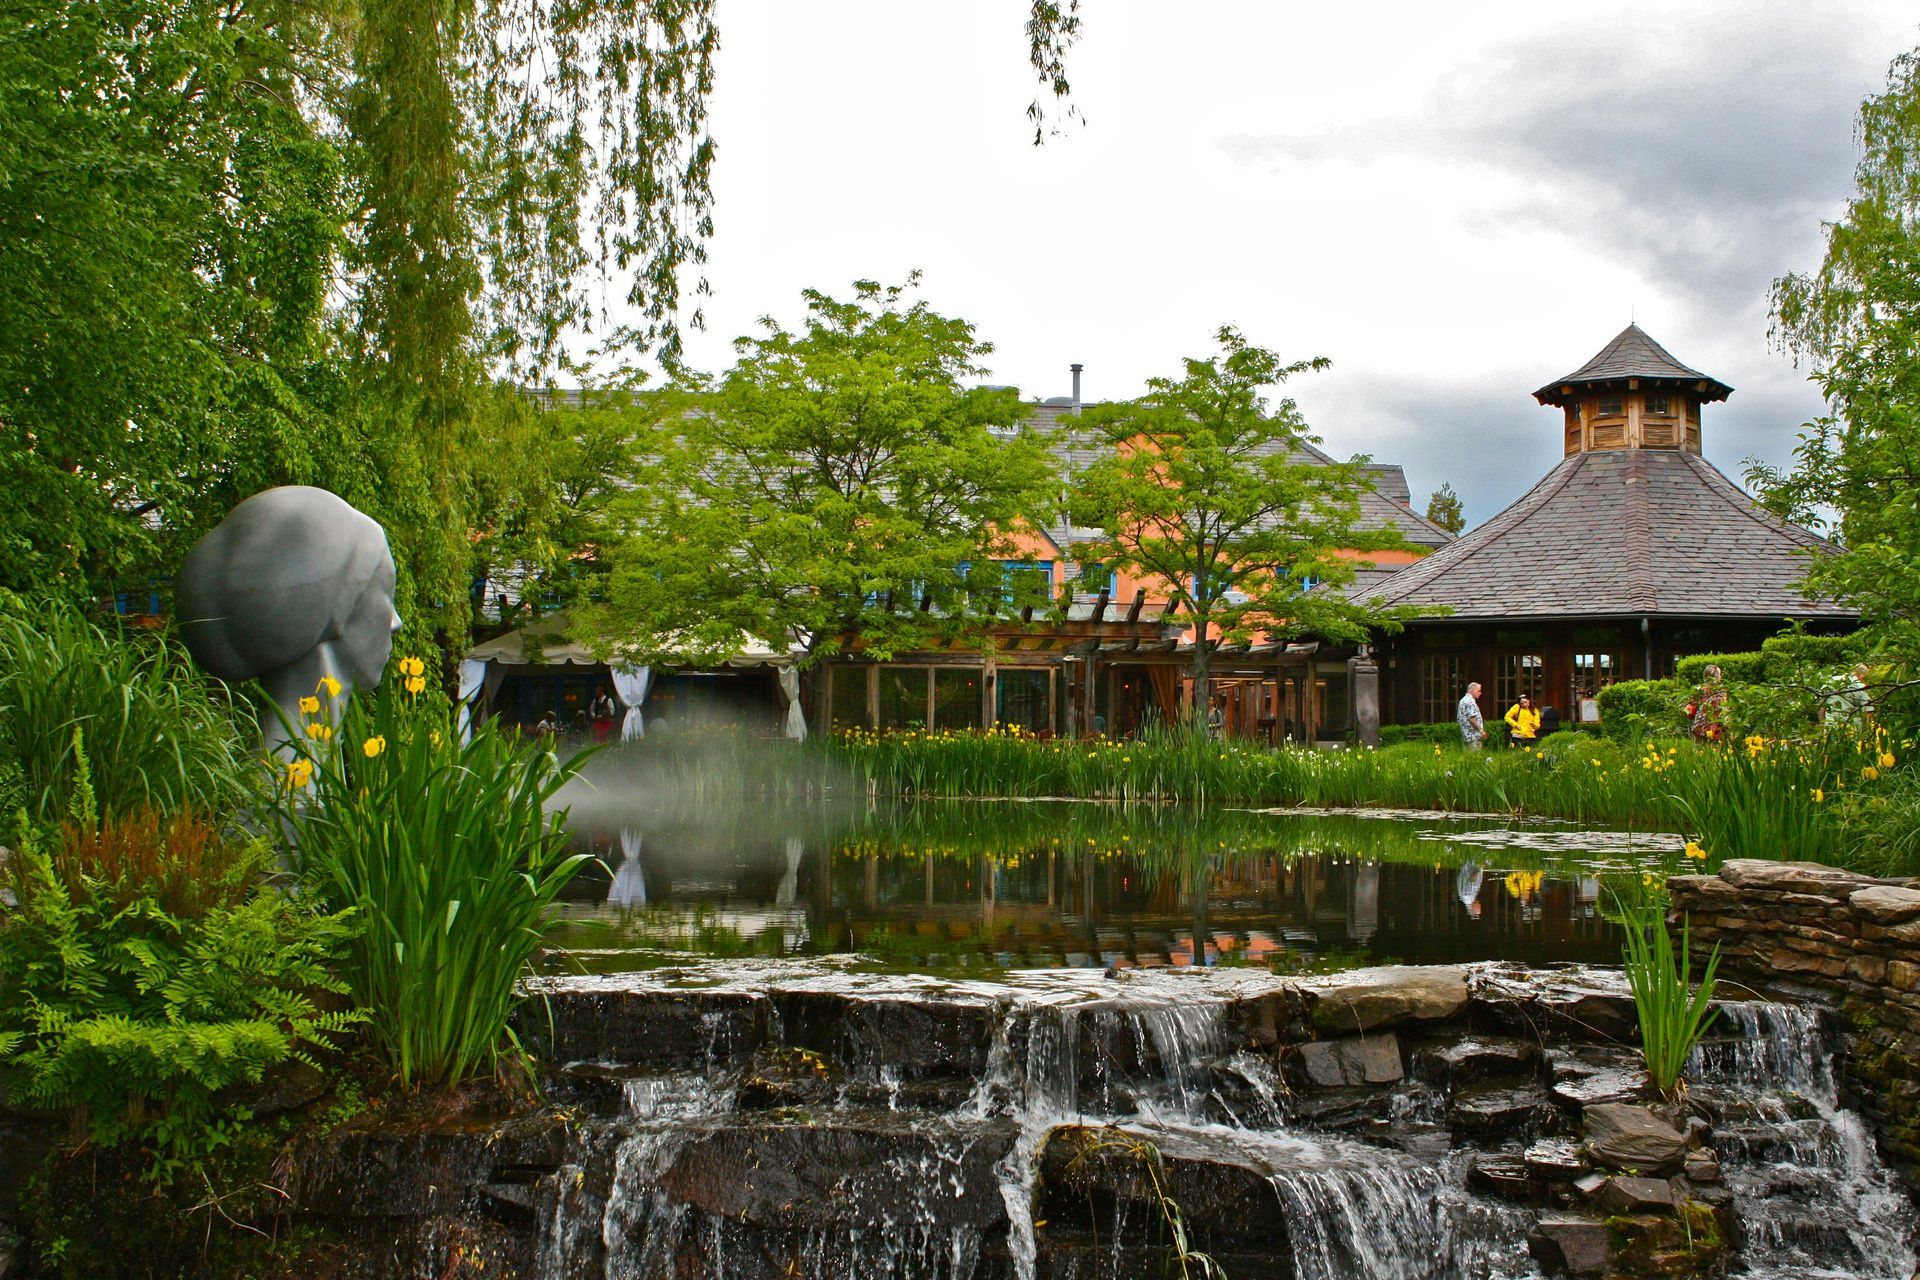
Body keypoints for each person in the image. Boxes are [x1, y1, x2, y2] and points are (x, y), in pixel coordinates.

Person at [1688, 665, 1727, 743]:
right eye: (1719, 674)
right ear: (1716, 677)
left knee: (1700, 750)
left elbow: (1690, 707)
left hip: (1698, 728)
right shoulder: (1721, 692)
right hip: (1714, 729)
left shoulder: (1699, 690)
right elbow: (1724, 710)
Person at [1457, 682, 1486, 749]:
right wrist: (1481, 730)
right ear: (1473, 690)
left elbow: (1459, 718)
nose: (1480, 693)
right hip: (1473, 737)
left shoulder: (1462, 700)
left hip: (1466, 736)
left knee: (1467, 755)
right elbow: (1471, 718)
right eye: (1479, 691)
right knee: (1475, 754)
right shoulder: (1470, 701)